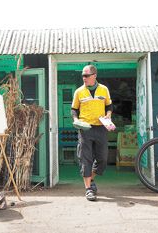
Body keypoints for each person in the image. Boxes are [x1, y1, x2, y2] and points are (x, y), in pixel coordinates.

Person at [71, 65, 113, 201]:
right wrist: (76, 120)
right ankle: (88, 189)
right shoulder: (79, 92)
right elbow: (74, 109)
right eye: (83, 75)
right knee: (86, 159)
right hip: (85, 129)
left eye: (86, 75)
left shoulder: (104, 89)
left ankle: (91, 178)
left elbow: (109, 105)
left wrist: (108, 115)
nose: (84, 78)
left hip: (101, 127)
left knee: (103, 159)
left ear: (94, 75)